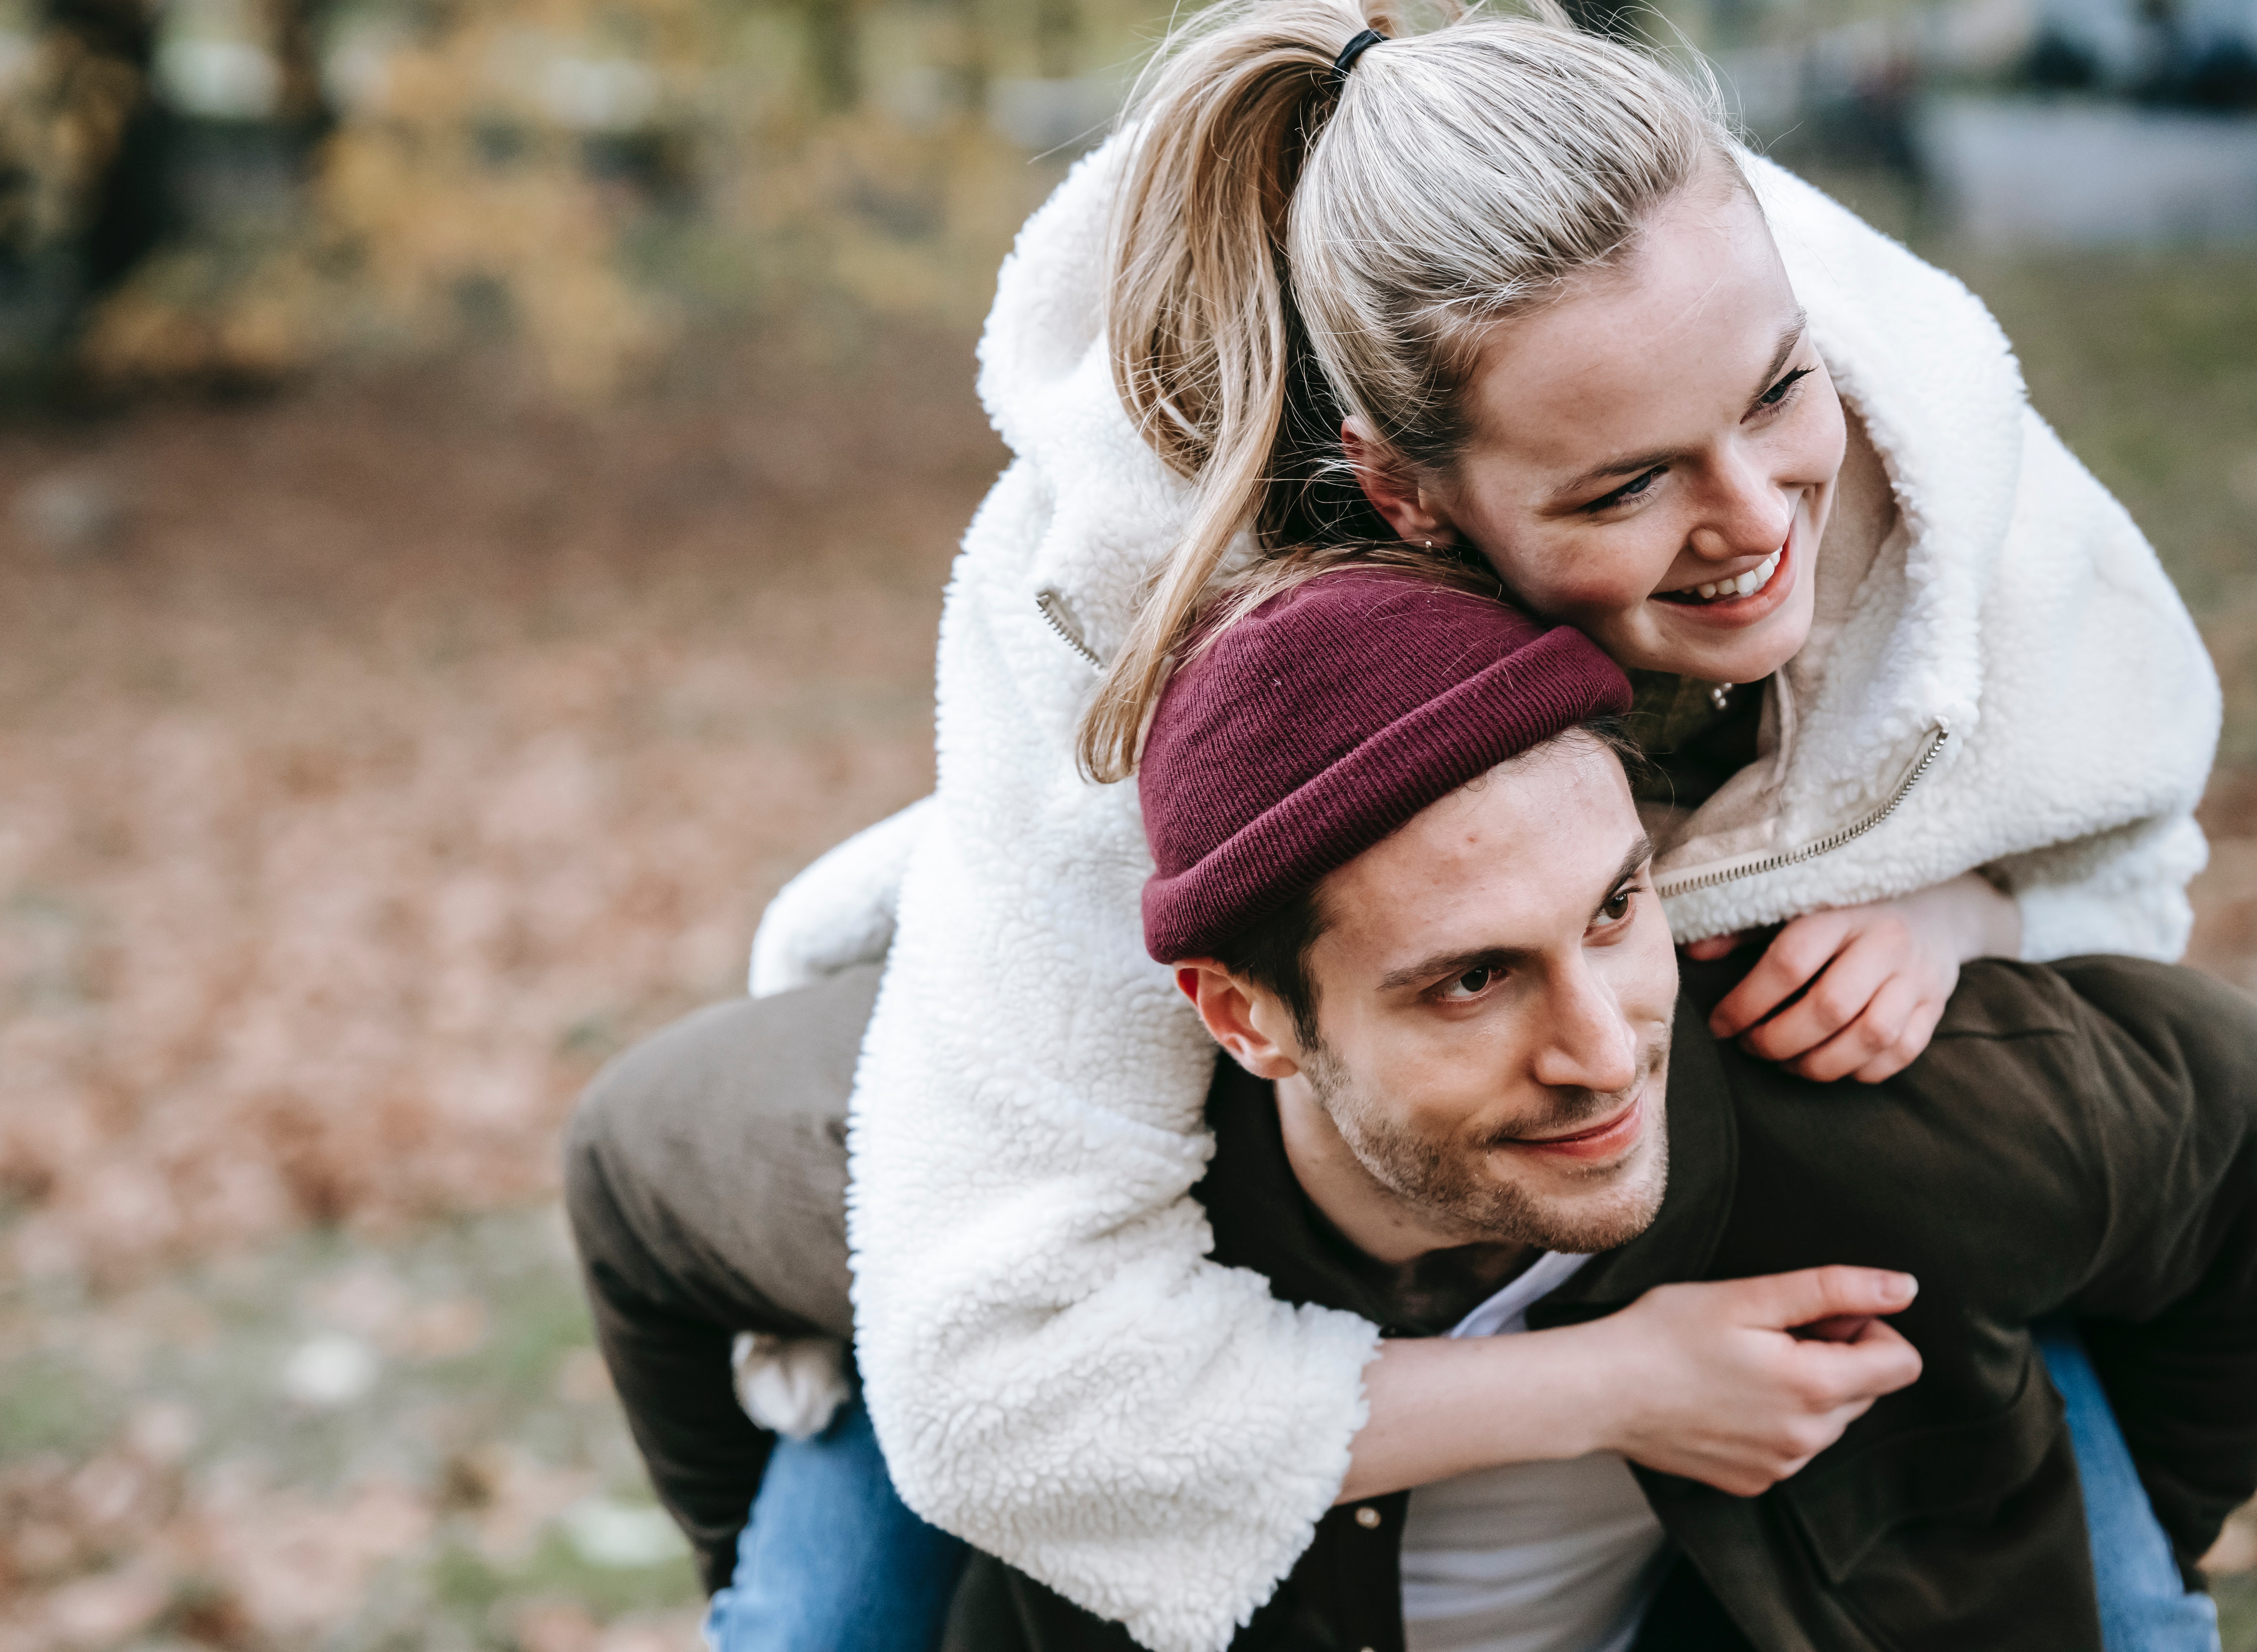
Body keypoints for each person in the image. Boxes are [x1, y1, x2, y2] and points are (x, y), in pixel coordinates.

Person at [723, 3, 2220, 1647]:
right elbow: (1002, 1377)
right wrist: (1615, 1385)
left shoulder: (1911, 452)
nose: (1754, 519)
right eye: (1622, 486)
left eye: (1774, 393)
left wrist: (1968, 906)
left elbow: (2126, 849)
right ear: (1406, 492)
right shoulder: (1128, 640)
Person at [569, 571, 2257, 1650]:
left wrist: (2124, 1558)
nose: (1607, 1053)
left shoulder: (1882, 1097)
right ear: (1246, 1017)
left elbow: (2239, 1142)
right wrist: (792, 1584)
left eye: (1614, 912)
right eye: (1469, 982)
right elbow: (631, 1174)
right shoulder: (999, 1182)